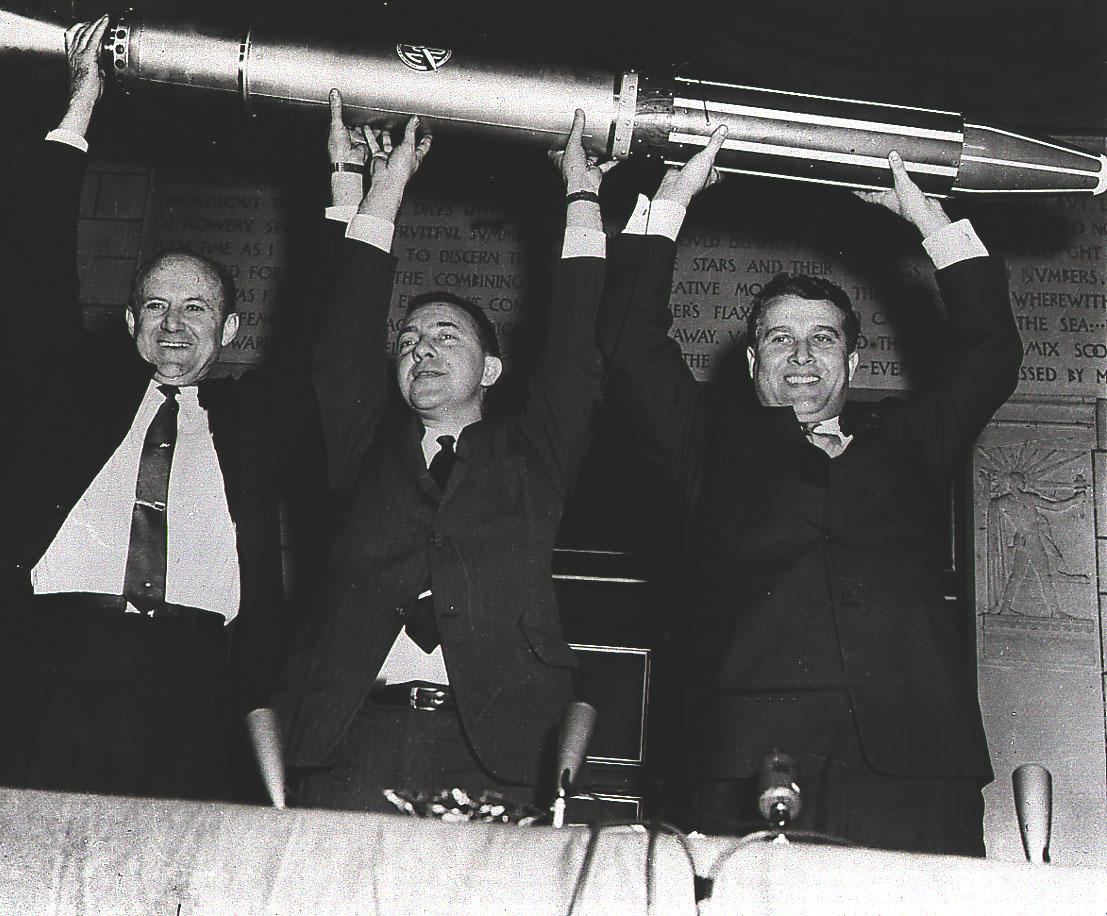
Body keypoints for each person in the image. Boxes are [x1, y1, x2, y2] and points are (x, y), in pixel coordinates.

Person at [597, 130, 1023, 854]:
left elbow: (991, 353)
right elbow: (628, 343)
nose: (800, 356)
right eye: (779, 338)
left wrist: (929, 220)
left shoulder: (910, 439)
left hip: (916, 762)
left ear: (853, 360)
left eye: (822, 338)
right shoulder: (703, 442)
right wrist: (672, 200)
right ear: (750, 358)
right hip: (749, 757)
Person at [272, 93, 611, 811]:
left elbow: (577, 343)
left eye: (446, 336)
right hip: (348, 739)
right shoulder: (365, 445)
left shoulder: (533, 453)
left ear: (490, 369)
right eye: (409, 341)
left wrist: (581, 194)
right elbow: (341, 338)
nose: (421, 347)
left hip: (501, 746)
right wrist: (386, 185)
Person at [0, 17, 310, 801]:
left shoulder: (250, 425)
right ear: (131, 322)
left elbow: (327, 334)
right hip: (53, 666)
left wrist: (351, 196)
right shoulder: (69, 399)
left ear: (230, 329)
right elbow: (34, 265)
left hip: (195, 685)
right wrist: (80, 109)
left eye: (197, 309)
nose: (174, 325)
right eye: (156, 307)